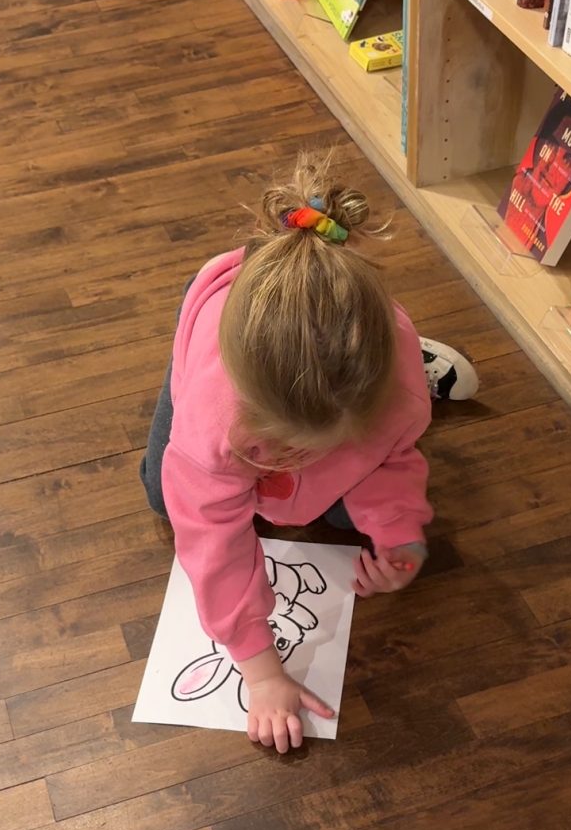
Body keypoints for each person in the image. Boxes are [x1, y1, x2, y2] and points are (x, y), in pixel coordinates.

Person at [139, 152, 479, 754]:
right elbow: (211, 538)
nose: (294, 464)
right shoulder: (214, 420)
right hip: (215, 325)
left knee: (349, 515)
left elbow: (393, 459)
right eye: (285, 452)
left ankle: (416, 357)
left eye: (318, 451)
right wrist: (261, 670)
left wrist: (403, 537)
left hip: (352, 369)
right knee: (160, 491)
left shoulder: (392, 394)